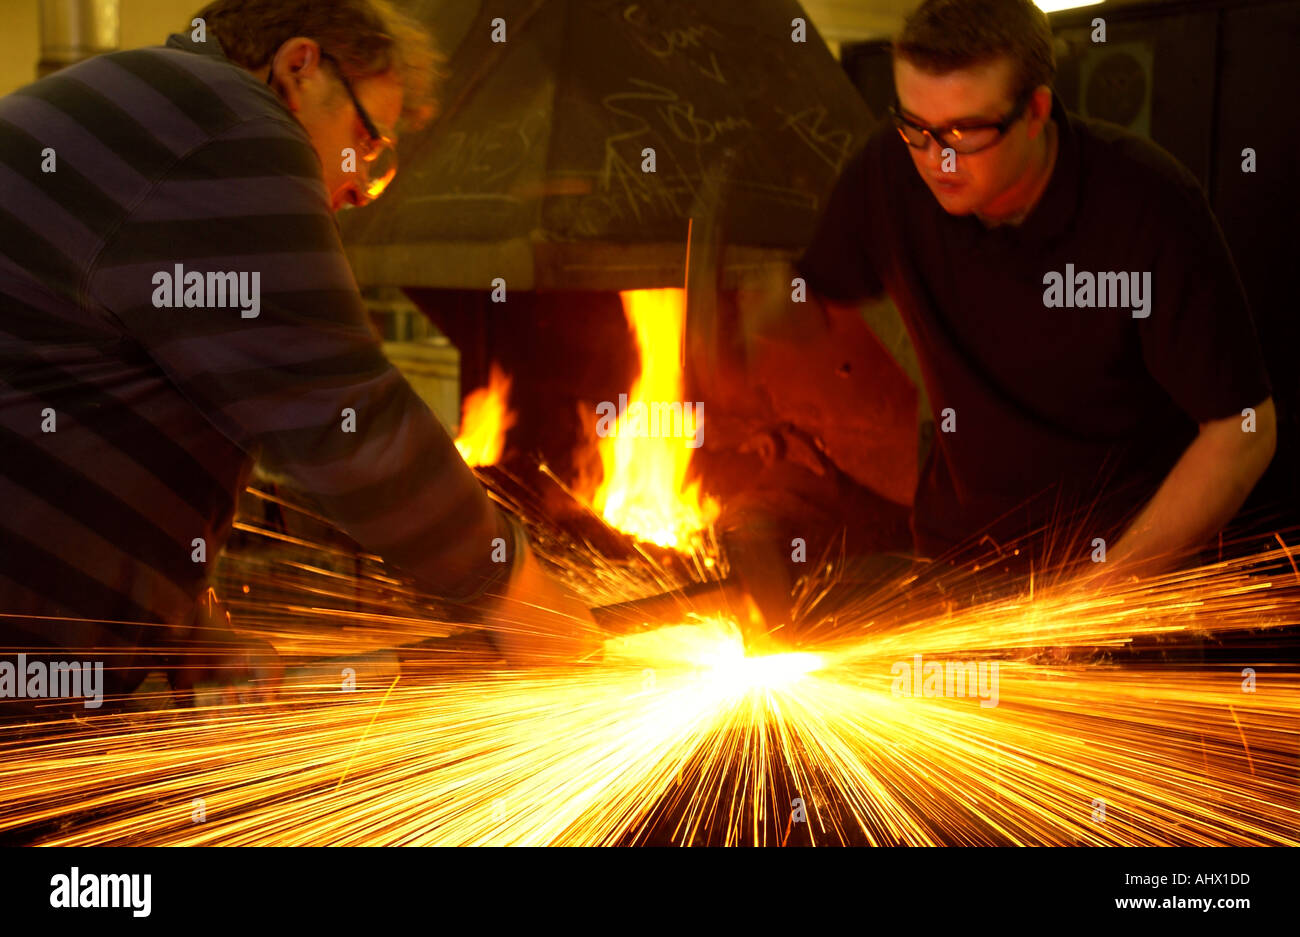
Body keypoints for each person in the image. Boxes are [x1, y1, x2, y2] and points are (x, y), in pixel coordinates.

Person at [0, 0, 597, 709]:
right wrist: (524, 600)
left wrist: (185, 625)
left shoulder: (156, 120)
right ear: (300, 66)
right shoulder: (230, 122)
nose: (365, 189)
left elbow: (80, 395)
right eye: (368, 142)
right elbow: (344, 414)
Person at [728, 0, 1275, 633]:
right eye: (916, 126)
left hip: (1114, 580)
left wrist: (1096, 599)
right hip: (954, 565)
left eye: (963, 132)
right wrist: (763, 317)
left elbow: (1243, 431)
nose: (938, 160)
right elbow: (815, 293)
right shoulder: (889, 170)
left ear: (1036, 110)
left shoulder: (1148, 210)